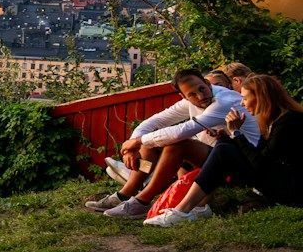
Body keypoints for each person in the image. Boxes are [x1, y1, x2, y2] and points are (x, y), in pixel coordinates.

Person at [87, 69, 258, 218]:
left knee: (177, 144)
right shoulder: (192, 101)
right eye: (192, 94)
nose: (200, 96)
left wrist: (136, 141)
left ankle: (142, 201)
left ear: (207, 83)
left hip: (243, 164)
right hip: (218, 157)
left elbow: (184, 130)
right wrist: (133, 146)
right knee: (150, 143)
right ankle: (126, 194)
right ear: (183, 96)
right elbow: (155, 121)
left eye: (202, 89)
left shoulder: (223, 101)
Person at [147, 73, 303, 226]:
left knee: (223, 150)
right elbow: (263, 154)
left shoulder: (288, 122)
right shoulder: (274, 120)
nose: (242, 103)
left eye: (246, 98)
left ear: (262, 97)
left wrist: (236, 133)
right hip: (276, 179)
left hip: (289, 190)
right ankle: (196, 208)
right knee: (223, 146)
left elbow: (261, 163)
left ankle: (182, 210)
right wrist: (227, 137)